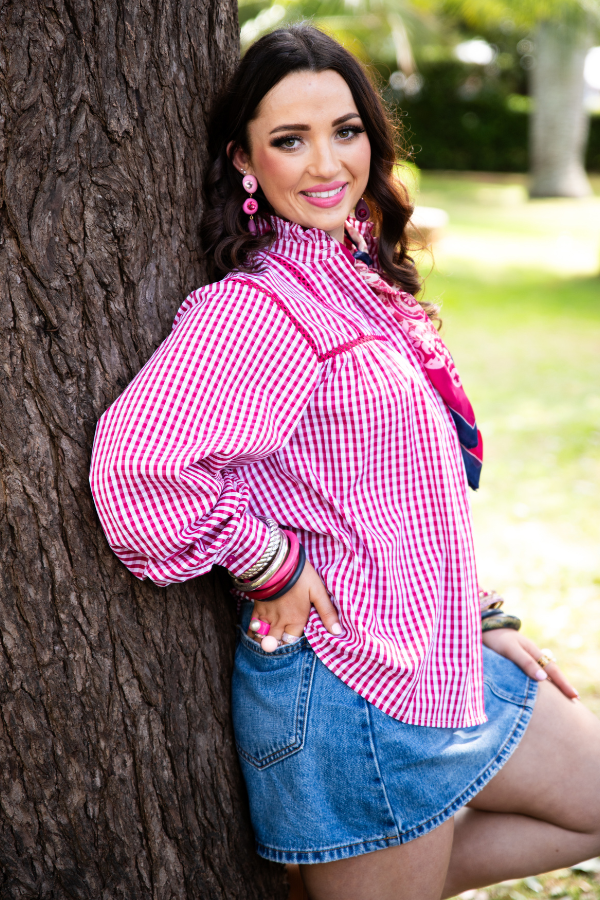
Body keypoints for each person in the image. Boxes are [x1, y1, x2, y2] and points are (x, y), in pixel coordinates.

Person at [89, 25, 600, 900]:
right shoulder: (257, 311)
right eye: (290, 140)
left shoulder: (355, 279)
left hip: (437, 651)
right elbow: (137, 471)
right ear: (244, 160)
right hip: (350, 690)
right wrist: (270, 561)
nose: (327, 164)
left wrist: (480, 614)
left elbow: (402, 495)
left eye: (346, 130)